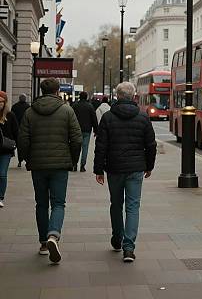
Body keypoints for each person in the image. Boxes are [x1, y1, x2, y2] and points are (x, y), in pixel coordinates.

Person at [17, 78, 82, 264]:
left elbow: (23, 139)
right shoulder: (67, 110)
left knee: (41, 203)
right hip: (60, 165)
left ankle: (44, 243)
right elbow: (77, 139)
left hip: (37, 165)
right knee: (59, 203)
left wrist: (26, 159)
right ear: (57, 90)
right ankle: (54, 234)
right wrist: (73, 160)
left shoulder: (30, 112)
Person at [94, 82, 156, 263]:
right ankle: (129, 248)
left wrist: (99, 169)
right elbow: (150, 145)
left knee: (116, 203)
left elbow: (101, 146)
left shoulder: (107, 117)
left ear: (117, 96)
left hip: (114, 168)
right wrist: (149, 166)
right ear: (133, 96)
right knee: (133, 206)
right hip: (136, 168)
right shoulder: (143, 117)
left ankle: (117, 238)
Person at [0, 91, 19, 208]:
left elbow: (16, 132)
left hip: (5, 150)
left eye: (2, 102)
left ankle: (0, 196)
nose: (0, 104)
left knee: (2, 174)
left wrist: (17, 146)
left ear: (5, 102)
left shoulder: (10, 115)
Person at [72, 92, 99, 172]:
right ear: (86, 97)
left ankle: (74, 164)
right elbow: (94, 118)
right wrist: (96, 130)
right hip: (87, 130)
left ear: (79, 97)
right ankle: (82, 165)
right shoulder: (90, 106)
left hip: (76, 130)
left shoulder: (75, 106)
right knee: (85, 148)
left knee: (76, 148)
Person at [11, 94, 30, 167]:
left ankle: (19, 160)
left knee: (19, 146)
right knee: (26, 144)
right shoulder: (28, 107)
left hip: (17, 129)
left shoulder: (14, 106)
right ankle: (26, 159)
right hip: (25, 128)